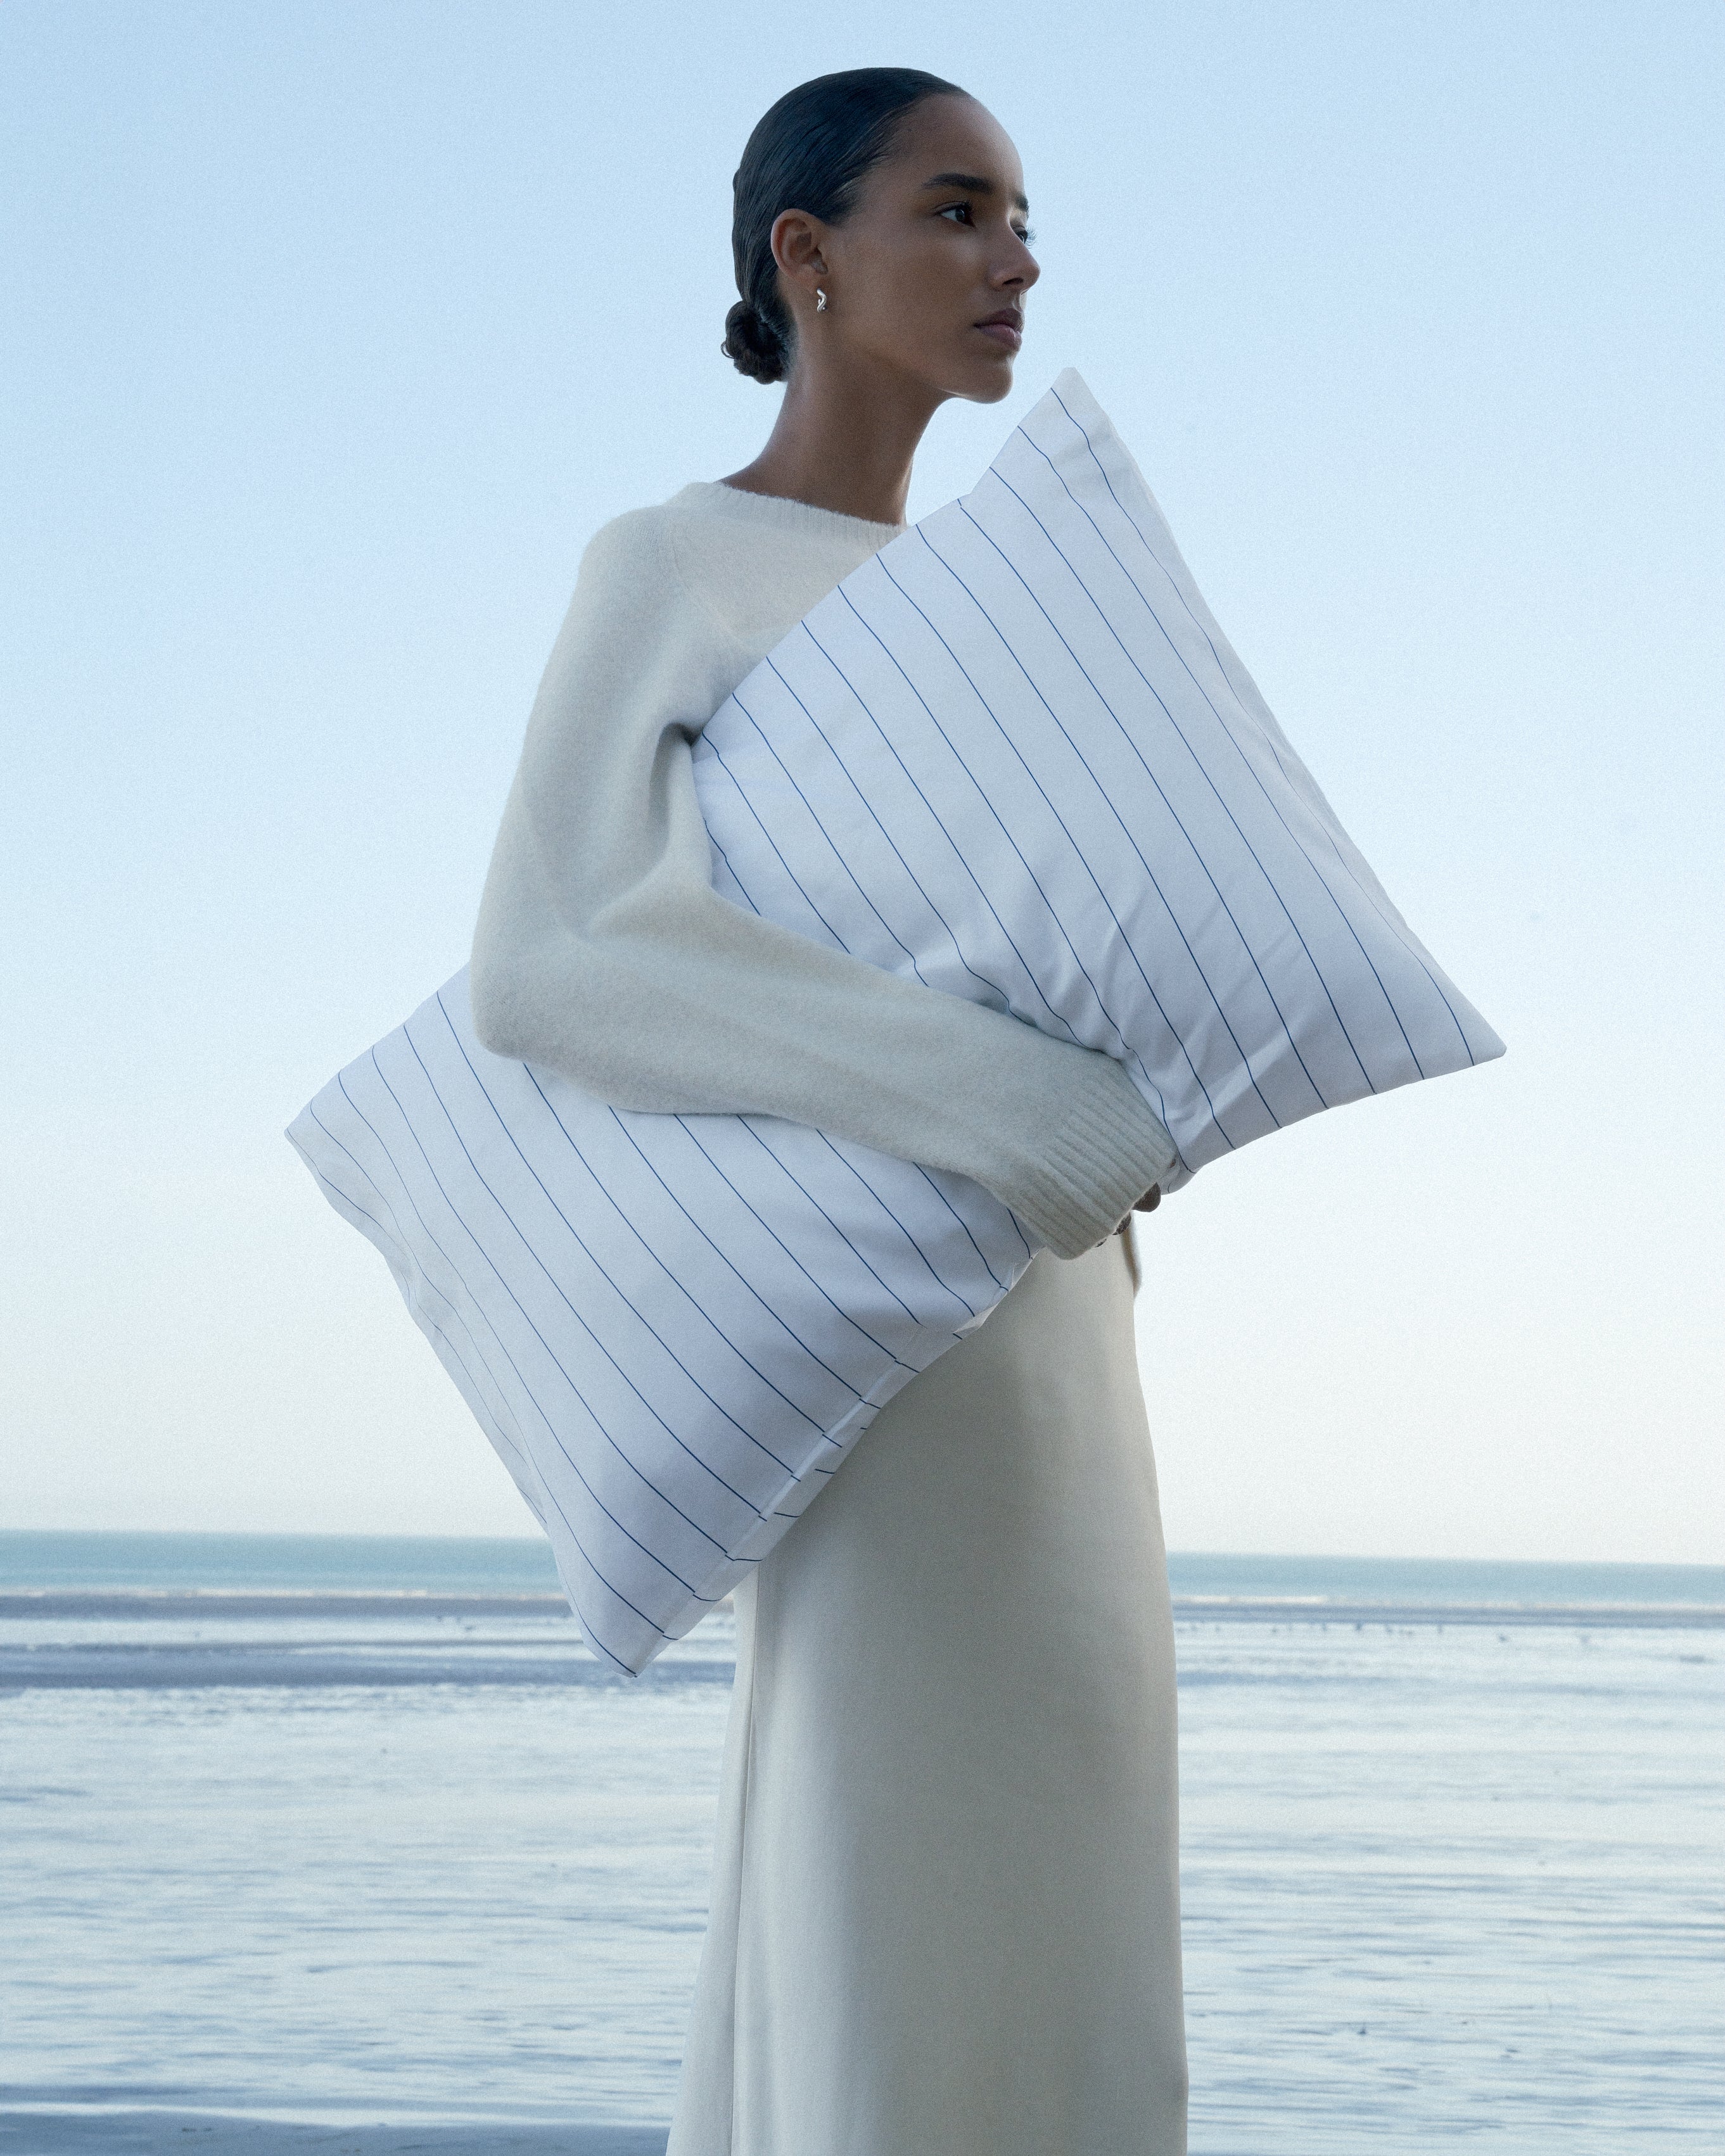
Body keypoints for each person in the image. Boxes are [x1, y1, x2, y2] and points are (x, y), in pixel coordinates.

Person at [470, 67, 1187, 2156]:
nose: (1016, 260)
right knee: (890, 1869)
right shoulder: (676, 563)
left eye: (1025, 218)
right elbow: (553, 957)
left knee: (1071, 1885)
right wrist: (992, 1095)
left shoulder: (998, 603)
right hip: (879, 1346)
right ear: (807, 257)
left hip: (1061, 1329)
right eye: (956, 212)